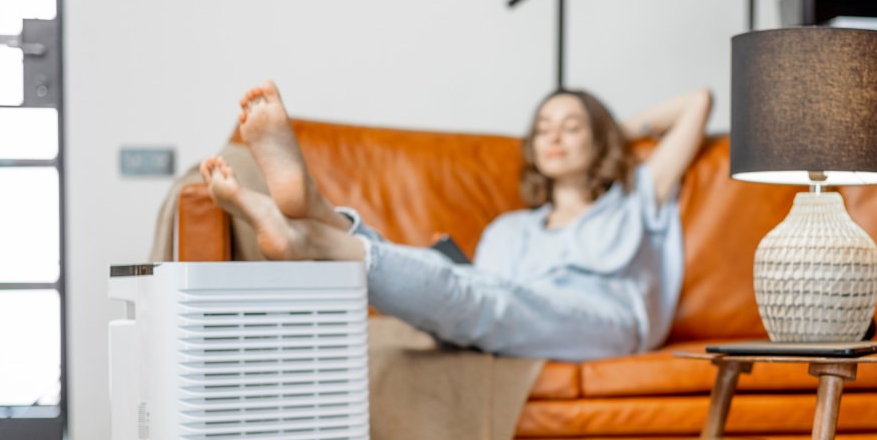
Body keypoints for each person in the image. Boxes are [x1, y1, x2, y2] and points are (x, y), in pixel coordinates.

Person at [199, 80, 712, 361]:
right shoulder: (510, 230)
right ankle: (312, 222)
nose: (554, 137)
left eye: (572, 127)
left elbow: (698, 102)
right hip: (507, 314)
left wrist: (611, 135)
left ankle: (318, 225)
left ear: (598, 139)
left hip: (603, 322)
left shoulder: (634, 196)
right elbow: (480, 294)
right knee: (464, 286)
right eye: (544, 129)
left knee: (484, 297)